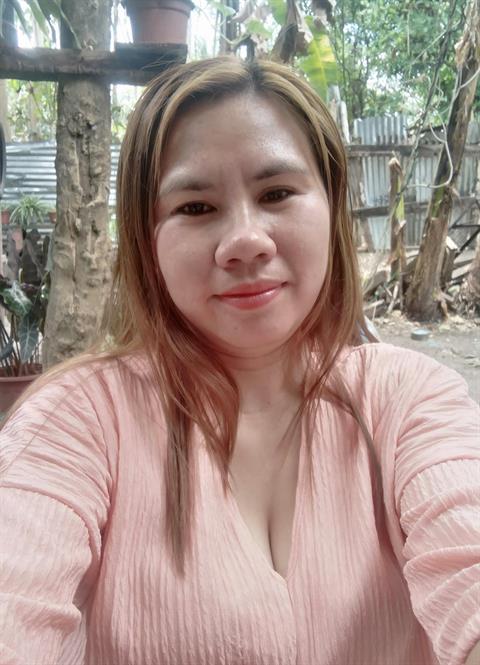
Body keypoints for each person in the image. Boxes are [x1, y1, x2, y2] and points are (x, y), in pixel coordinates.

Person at [0, 56, 479, 665]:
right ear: (147, 240)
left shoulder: (410, 398)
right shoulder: (77, 420)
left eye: (276, 193)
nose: (246, 241)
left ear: (332, 206)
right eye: (196, 207)